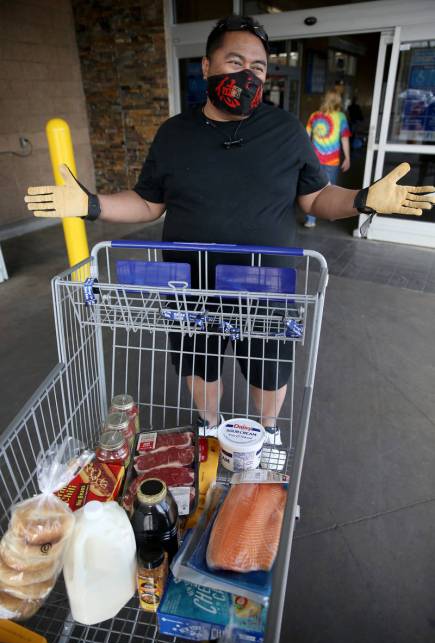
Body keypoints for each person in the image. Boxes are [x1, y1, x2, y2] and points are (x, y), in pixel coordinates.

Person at [24, 15, 435, 439]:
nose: (247, 74)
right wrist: (92, 204)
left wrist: (361, 199)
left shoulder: (285, 131)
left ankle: (268, 432)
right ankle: (209, 427)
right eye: (234, 61)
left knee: (269, 366)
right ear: (206, 66)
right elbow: (148, 203)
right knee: (197, 363)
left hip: (264, 282)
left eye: (257, 67)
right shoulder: (173, 134)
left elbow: (314, 198)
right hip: (189, 282)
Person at [304, 89, 352, 228]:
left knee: (313, 188)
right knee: (331, 188)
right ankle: (332, 214)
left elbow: (306, 137)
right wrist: (347, 157)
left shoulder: (314, 116)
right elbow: (344, 139)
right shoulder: (340, 117)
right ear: (338, 101)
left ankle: (311, 220)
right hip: (332, 161)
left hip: (314, 159)